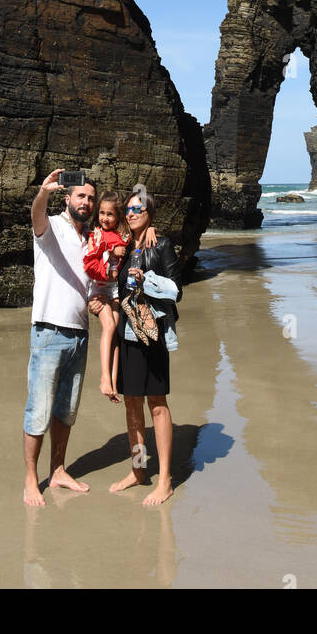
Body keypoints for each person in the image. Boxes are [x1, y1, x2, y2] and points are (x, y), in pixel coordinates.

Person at [23, 171, 98, 507]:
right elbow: (35, 214)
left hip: (80, 333)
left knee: (67, 410)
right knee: (38, 410)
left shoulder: (93, 239)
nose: (86, 202)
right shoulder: (50, 227)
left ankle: (58, 471)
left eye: (91, 198)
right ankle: (29, 480)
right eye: (80, 196)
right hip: (49, 331)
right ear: (67, 199)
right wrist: (43, 192)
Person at [110, 186, 181, 506]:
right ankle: (139, 470)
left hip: (152, 335)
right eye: (128, 210)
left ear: (150, 213)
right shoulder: (125, 245)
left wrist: (146, 280)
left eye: (138, 210)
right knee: (131, 405)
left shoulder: (161, 244)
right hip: (127, 334)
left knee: (157, 404)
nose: (131, 214)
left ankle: (164, 479)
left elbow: (176, 290)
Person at [83, 191, 129, 402]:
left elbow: (141, 224)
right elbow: (91, 266)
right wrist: (111, 253)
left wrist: (151, 230)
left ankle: (113, 382)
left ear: (118, 216)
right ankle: (103, 378)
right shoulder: (96, 236)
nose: (105, 218)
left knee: (116, 334)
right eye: (101, 213)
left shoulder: (123, 236)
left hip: (114, 291)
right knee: (109, 327)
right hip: (99, 289)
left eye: (110, 214)